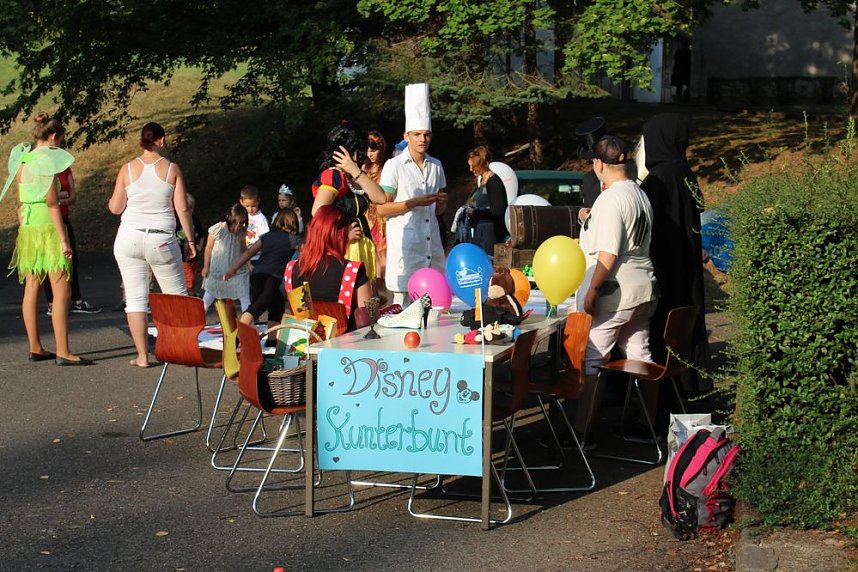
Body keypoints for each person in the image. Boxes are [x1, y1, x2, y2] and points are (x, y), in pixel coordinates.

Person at [573, 135, 657, 446]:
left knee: (592, 359)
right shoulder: (639, 192)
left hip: (616, 290)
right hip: (643, 287)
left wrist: (593, 288)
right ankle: (648, 424)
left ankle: (582, 433)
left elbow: (607, 253)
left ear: (598, 164)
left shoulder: (609, 199)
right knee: (641, 355)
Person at [1, 113, 93, 365]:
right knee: (62, 288)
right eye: (60, 143)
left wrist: (25, 227)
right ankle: (63, 350)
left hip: (29, 229)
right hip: (49, 230)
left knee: (32, 286)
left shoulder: (22, 160)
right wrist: (64, 241)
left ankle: (35, 346)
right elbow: (53, 204)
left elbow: (20, 203)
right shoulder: (46, 163)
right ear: (53, 137)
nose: (59, 148)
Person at [109, 121, 195, 368]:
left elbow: (116, 208)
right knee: (176, 295)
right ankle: (180, 348)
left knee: (135, 299)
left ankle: (142, 356)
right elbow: (182, 208)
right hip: (161, 237)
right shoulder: (171, 169)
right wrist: (189, 240)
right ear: (162, 140)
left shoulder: (127, 169)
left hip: (129, 237)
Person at [640, 113, 709, 395]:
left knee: (661, 335)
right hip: (686, 265)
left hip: (663, 268)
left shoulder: (657, 180)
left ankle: (662, 398)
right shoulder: (684, 172)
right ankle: (690, 385)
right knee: (684, 327)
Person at [377, 83, 448, 306]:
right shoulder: (394, 165)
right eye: (417, 134)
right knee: (402, 307)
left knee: (435, 308)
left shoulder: (436, 165)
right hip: (406, 248)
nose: (422, 139)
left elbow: (438, 211)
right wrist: (412, 202)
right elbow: (381, 208)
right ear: (406, 136)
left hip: (430, 246)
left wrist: (442, 203)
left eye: (426, 135)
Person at [311, 121, 387, 281]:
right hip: (343, 249)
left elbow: (380, 198)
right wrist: (343, 234)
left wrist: (354, 170)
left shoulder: (355, 176)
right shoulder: (334, 176)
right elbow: (318, 213)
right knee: (352, 300)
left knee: (368, 301)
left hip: (362, 245)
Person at [282, 205, 371, 332]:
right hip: (343, 347)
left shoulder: (292, 268)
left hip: (305, 346)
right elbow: (367, 318)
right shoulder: (353, 270)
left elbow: (299, 314)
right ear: (341, 233)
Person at [42, 143, 102, 316]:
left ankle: (77, 299)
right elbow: (45, 196)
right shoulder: (43, 170)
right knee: (50, 262)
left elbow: (72, 195)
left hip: (64, 217)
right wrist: (59, 197)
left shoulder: (65, 169)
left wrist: (61, 199)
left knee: (71, 258)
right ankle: (52, 302)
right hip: (48, 220)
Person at [224, 208, 300, 344]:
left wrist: (233, 269)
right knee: (257, 307)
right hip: (271, 278)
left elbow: (248, 253)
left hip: (257, 274)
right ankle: (235, 339)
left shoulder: (267, 236)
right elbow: (308, 254)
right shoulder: (294, 240)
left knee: (277, 304)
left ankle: (272, 340)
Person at [201, 203, 250, 313]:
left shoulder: (242, 232)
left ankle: (249, 323)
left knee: (244, 295)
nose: (239, 226)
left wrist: (249, 264)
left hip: (236, 271)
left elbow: (244, 249)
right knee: (207, 299)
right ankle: (196, 321)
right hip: (217, 270)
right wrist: (206, 266)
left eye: (242, 223)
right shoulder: (218, 230)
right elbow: (208, 248)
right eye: (236, 223)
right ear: (229, 219)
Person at [465, 146, 508, 256]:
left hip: (490, 234)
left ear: (484, 164)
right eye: (470, 166)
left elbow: (498, 211)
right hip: (481, 232)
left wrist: (475, 213)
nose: (471, 170)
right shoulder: (483, 180)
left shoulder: (494, 181)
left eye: (474, 166)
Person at [362, 130, 389, 288]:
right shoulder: (362, 169)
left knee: (383, 257)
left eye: (374, 150)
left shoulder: (386, 169)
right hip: (366, 218)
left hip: (382, 219)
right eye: (368, 150)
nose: (370, 154)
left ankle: (383, 292)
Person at [176, 192, 206, 295]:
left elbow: (201, 235)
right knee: (189, 277)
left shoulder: (195, 220)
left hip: (194, 255)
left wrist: (200, 247)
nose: (189, 211)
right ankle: (189, 293)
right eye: (186, 208)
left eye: (191, 208)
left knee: (193, 274)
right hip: (182, 257)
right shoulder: (177, 221)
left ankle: (190, 292)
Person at [240, 184, 268, 264]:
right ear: (241, 202)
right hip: (241, 256)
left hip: (255, 257)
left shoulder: (261, 218)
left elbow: (264, 238)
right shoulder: (241, 216)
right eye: (247, 206)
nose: (250, 209)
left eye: (253, 206)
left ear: (258, 201)